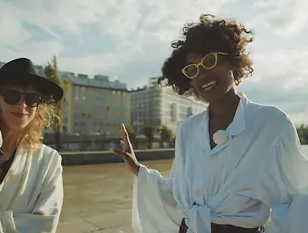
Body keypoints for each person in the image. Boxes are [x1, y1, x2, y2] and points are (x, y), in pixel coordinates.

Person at [111, 14, 308, 233]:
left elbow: (298, 201)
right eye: (192, 70)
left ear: (232, 60)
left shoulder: (270, 124)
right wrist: (138, 169)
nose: (202, 74)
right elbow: (181, 196)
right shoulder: (187, 130)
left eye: (210, 61)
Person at [0, 58, 64, 233]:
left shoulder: (49, 161)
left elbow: (44, 227)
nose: (22, 105)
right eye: (12, 95)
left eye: (32, 99)